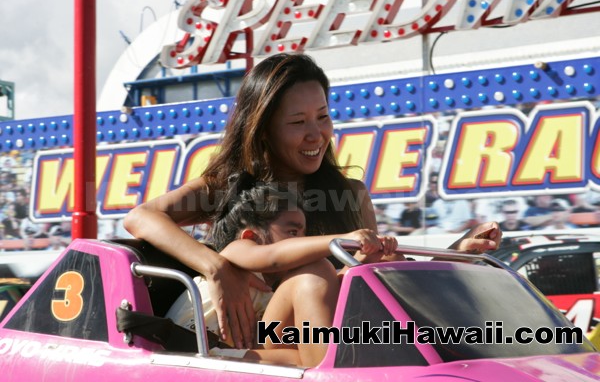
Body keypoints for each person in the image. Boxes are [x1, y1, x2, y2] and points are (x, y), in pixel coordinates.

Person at [123, 53, 501, 353]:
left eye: (323, 117)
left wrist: (454, 255)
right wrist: (217, 267)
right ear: (264, 130)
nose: (315, 134)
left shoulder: (350, 194)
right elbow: (142, 217)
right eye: (297, 122)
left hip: (322, 347)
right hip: (245, 349)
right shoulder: (229, 185)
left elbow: (373, 280)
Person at [167, 174, 396, 366]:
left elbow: (326, 291)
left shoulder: (282, 285)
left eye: (303, 235)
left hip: (243, 346)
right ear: (251, 236)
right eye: (293, 233)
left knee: (381, 261)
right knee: (314, 274)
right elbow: (273, 256)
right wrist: (345, 239)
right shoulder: (236, 252)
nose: (301, 243)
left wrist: (364, 258)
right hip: (198, 352)